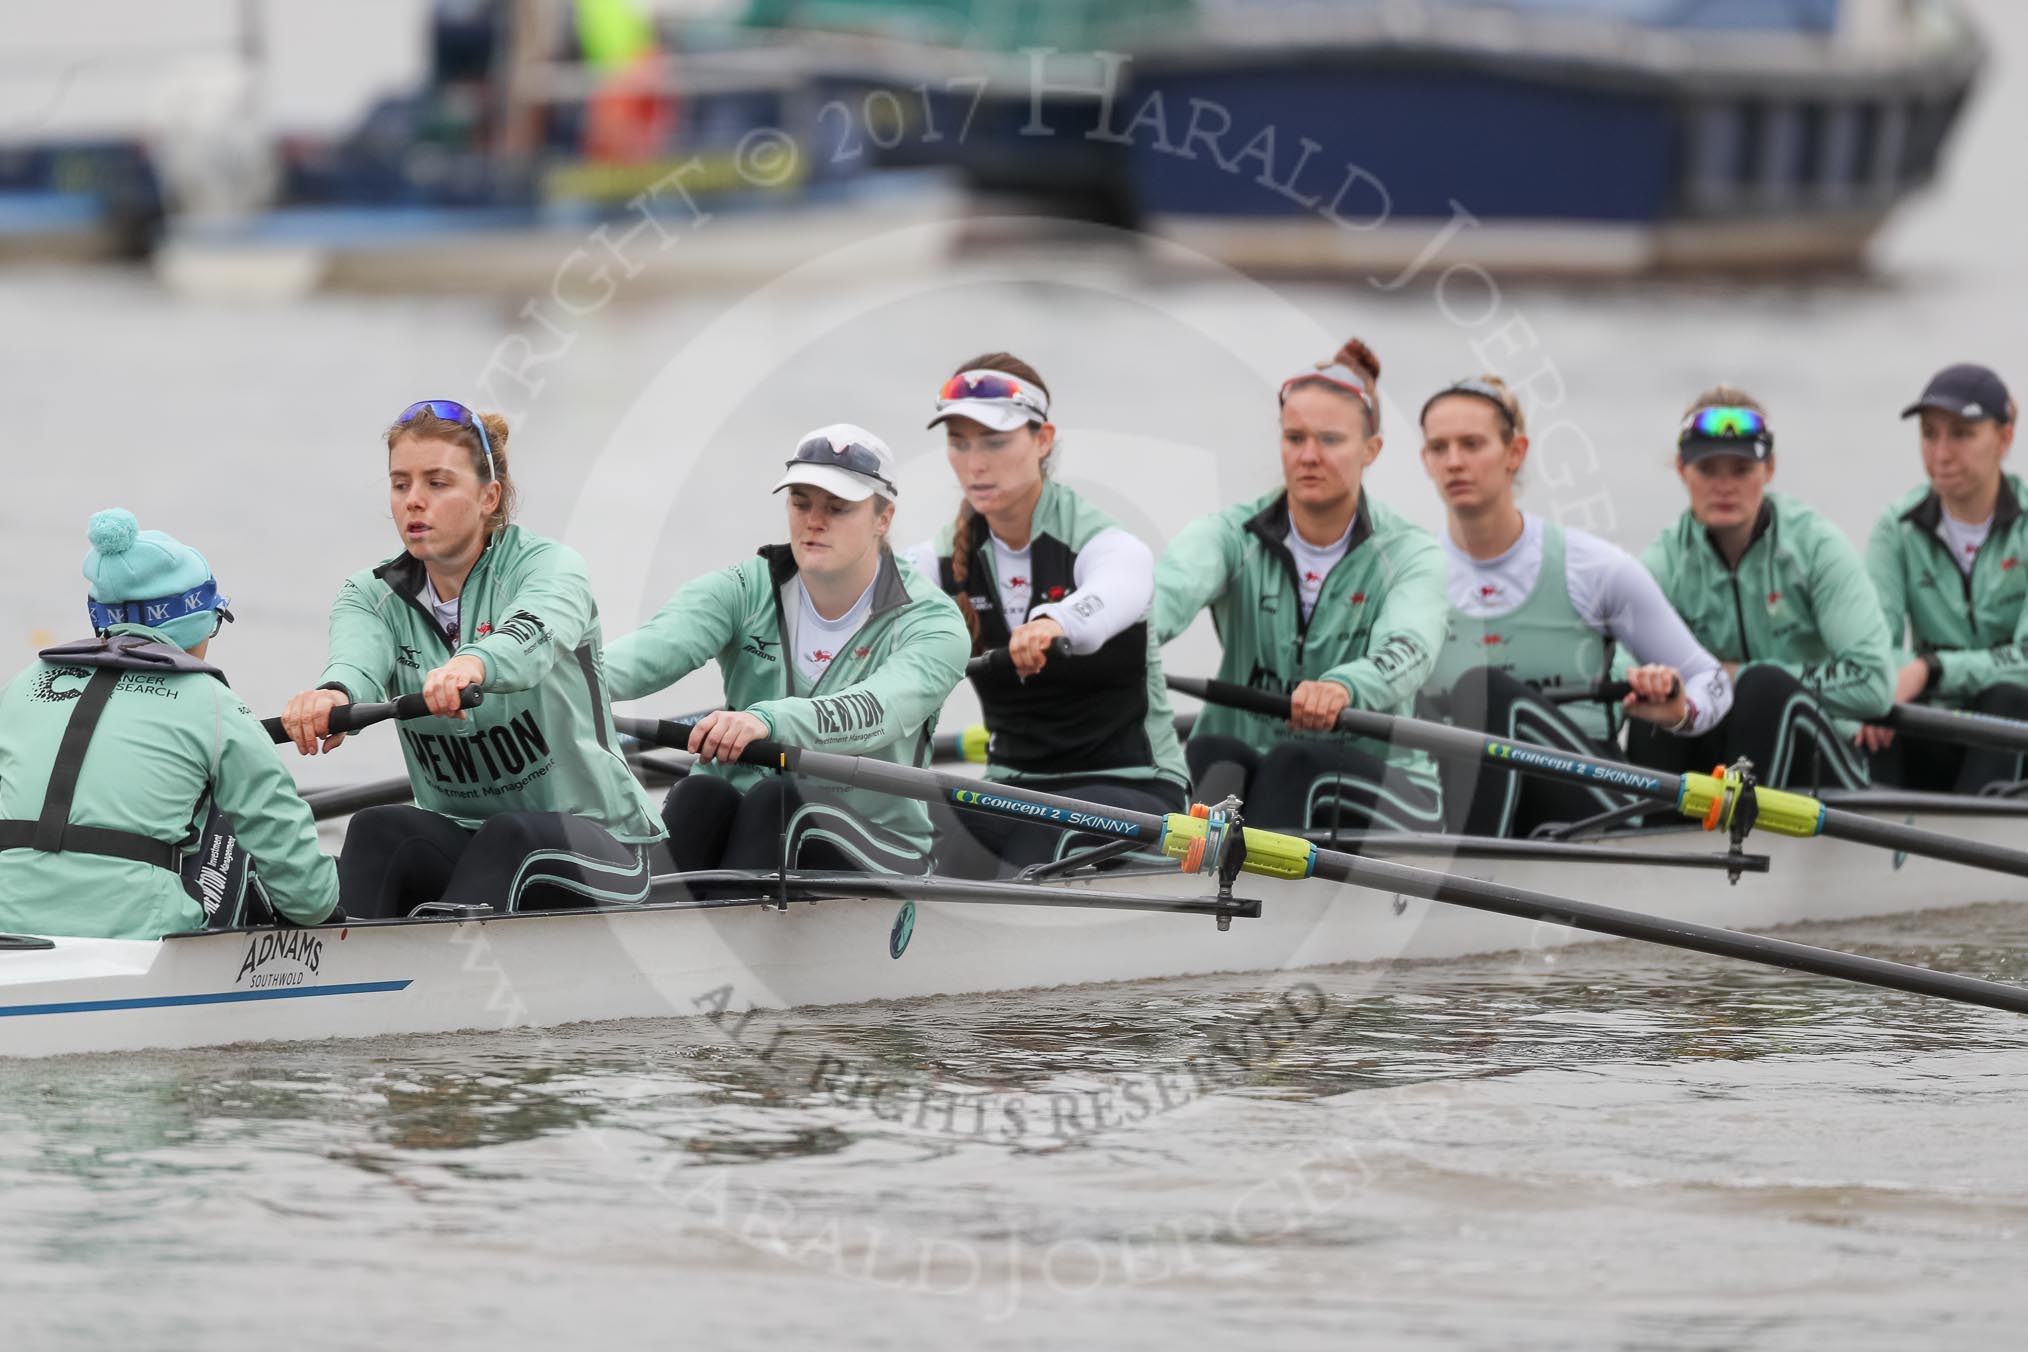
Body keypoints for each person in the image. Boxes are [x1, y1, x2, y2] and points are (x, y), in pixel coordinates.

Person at [280, 400, 664, 918]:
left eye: (437, 484)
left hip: (607, 845)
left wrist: (473, 664)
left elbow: (531, 636)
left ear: (489, 497)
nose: (414, 502)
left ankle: (427, 980)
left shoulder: (550, 568)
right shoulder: (368, 595)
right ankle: (335, 972)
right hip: (467, 839)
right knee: (379, 827)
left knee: (513, 835)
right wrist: (334, 696)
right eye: (400, 484)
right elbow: (356, 663)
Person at [611, 424, 969, 873]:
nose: (814, 521)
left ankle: (701, 927)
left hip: (883, 845)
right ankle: (662, 927)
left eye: (837, 508)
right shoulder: (744, 588)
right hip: (750, 820)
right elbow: (649, 652)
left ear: (884, 518)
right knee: (699, 793)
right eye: (800, 503)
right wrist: (536, 676)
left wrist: (766, 720)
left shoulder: (931, 622)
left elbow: (879, 710)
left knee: (779, 800)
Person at [903, 354, 1191, 870]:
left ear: (1043, 439)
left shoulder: (1105, 543)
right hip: (1014, 787)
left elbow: (1121, 584)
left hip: (1136, 790)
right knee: (914, 823)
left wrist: (1055, 623)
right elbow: (865, 605)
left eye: (995, 442)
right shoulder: (934, 562)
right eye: (959, 443)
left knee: (1039, 839)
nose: (975, 463)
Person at [1154, 338, 1448, 835]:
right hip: (1258, 766)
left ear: (1371, 450)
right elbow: (1166, 592)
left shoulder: (1410, 554)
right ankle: (1192, 893)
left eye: (1330, 440)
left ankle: (1252, 900)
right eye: (1295, 438)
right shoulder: (1231, 535)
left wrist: (1343, 686)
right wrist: (1107, 635)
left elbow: (1409, 648)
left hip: (1393, 788)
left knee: (1295, 763)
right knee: (1210, 751)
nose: (1309, 456)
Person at [1417, 376, 1734, 837]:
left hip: (1593, 796)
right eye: (1439, 448)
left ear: (1516, 452)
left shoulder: (1592, 568)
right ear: (1424, 460)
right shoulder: (1410, 579)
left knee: (1487, 692)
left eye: (1471, 444)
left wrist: (1679, 710)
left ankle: (1460, 885)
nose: (1455, 462)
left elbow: (1712, 681)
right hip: (1458, 788)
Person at [0, 510, 336, 939]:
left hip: (8, 928)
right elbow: (305, 889)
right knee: (232, 813)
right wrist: (319, 908)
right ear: (195, 622)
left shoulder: (22, 685)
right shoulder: (212, 704)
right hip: (134, 935)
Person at [1625, 387, 1894, 790]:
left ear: (1768, 470)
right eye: (1708, 469)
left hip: (1823, 770)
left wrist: (1735, 677)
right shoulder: (1664, 562)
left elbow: (1874, 684)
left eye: (1741, 469)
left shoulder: (1817, 547)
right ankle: (1649, 836)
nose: (1724, 486)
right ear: (1682, 469)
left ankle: (1728, 834)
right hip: (1724, 762)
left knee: (1763, 686)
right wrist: (1655, 685)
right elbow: (1617, 669)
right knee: (1656, 707)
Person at [1862, 363, 2028, 792]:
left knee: (2008, 697)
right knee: (1873, 708)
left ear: (2005, 438)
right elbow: (1873, 646)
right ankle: (1878, 838)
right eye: (1930, 434)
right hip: (1932, 723)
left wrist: (1932, 669)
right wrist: (1894, 679)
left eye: (1962, 433)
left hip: (2013, 729)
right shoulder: (1895, 527)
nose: (1941, 454)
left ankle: (1969, 840)